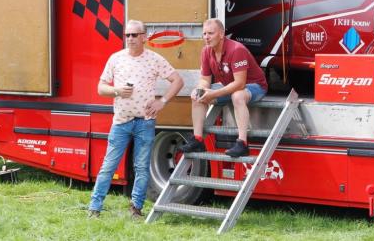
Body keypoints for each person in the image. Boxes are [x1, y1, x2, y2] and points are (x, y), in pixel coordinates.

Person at [88, 20, 183, 219]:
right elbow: (100, 87)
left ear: (144, 37)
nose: (130, 39)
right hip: (121, 122)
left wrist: (162, 101)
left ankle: (136, 209)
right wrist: (116, 90)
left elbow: (178, 81)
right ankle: (94, 208)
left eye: (134, 35)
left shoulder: (154, 59)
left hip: (145, 121)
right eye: (127, 35)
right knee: (109, 166)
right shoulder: (116, 58)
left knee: (141, 167)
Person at [180, 19, 267, 157]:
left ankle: (242, 144)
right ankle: (197, 140)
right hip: (229, 86)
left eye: (210, 33)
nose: (206, 37)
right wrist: (202, 90)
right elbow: (204, 80)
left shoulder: (237, 49)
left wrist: (214, 94)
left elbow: (240, 84)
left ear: (221, 34)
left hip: (255, 86)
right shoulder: (206, 51)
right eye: (204, 34)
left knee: (237, 95)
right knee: (197, 94)